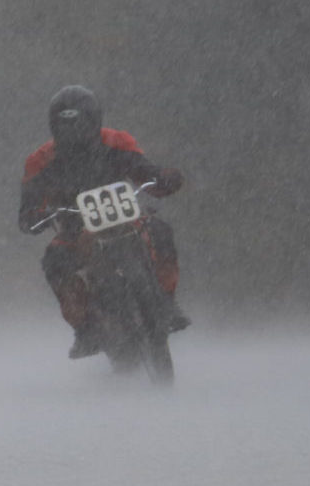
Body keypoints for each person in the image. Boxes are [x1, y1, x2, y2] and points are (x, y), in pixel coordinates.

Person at [19, 86, 188, 359]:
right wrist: (34, 218)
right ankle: (85, 328)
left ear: (95, 120)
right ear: (55, 126)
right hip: (74, 232)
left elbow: (145, 172)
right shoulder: (40, 162)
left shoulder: (117, 142)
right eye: (67, 125)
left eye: (80, 123)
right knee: (55, 262)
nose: (74, 132)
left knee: (160, 231)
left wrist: (164, 179)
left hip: (127, 220)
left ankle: (167, 303)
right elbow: (28, 210)